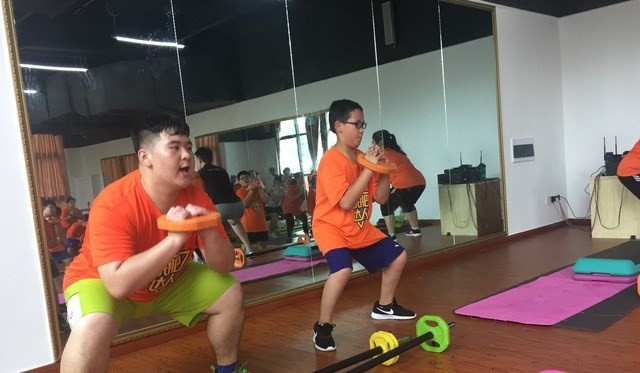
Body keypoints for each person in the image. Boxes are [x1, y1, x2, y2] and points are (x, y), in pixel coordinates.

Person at [60, 113, 244, 373]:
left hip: (166, 280)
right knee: (91, 326)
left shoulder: (196, 196)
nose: (187, 155)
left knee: (229, 293)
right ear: (145, 157)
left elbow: (224, 266)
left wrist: (208, 232)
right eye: (174, 147)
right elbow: (117, 284)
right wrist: (174, 239)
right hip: (99, 281)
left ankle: (229, 371)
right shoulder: (113, 203)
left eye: (188, 147)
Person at [311, 99, 416, 352]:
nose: (361, 130)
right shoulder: (331, 161)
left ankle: (384, 306)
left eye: (363, 124)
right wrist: (369, 168)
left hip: (357, 226)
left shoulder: (361, 158)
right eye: (356, 124)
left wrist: (383, 168)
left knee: (398, 256)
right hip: (331, 226)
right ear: (338, 126)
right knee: (342, 270)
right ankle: (323, 326)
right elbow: (346, 202)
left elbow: (380, 198)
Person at [194, 147, 253, 255]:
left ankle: (217, 255)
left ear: (199, 160)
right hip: (237, 205)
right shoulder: (222, 170)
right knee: (235, 223)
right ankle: (249, 249)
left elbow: (202, 193)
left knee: (208, 228)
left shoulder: (200, 173)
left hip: (220, 207)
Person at [372, 129, 426, 239]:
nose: (372, 145)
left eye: (373, 142)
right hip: (420, 183)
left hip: (405, 184)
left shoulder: (383, 156)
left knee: (386, 204)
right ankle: (415, 229)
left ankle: (391, 236)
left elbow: (377, 177)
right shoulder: (397, 152)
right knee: (407, 203)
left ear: (380, 143)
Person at [235, 170, 270, 252]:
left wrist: (257, 189)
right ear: (239, 182)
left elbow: (266, 199)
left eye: (247, 177)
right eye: (242, 179)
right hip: (248, 226)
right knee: (246, 248)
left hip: (261, 225)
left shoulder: (257, 190)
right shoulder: (240, 191)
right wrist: (251, 190)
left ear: (250, 178)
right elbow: (244, 204)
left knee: (264, 250)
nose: (245, 180)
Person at [281, 172, 310, 240]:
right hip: (289, 207)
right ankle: (289, 237)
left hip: (297, 208)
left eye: (302, 178)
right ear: (297, 179)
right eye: (300, 178)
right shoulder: (293, 187)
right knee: (290, 222)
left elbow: (306, 197)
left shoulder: (302, 187)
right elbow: (292, 199)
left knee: (304, 218)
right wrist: (300, 193)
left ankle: (306, 234)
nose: (302, 179)